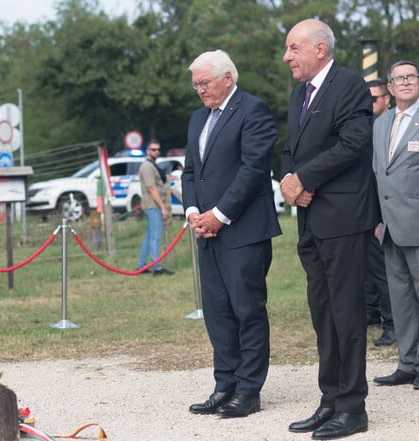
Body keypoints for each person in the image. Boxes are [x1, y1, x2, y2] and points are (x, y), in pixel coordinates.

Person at [280, 19, 378, 439]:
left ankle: (353, 408)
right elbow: (289, 148)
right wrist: (289, 182)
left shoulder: (350, 84)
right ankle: (330, 400)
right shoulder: (299, 93)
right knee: (323, 313)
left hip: (343, 219)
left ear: (320, 49)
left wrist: (305, 178)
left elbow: (354, 143)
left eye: (293, 48)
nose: (287, 57)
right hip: (310, 220)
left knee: (346, 312)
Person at [182, 50, 280, 418]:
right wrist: (193, 212)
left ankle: (249, 390)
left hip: (243, 230)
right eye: (195, 85)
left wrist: (220, 215)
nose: (200, 91)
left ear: (227, 77)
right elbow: (190, 171)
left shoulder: (253, 110)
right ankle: (224, 385)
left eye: (204, 83)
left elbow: (254, 170)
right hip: (206, 231)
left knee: (247, 310)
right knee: (217, 312)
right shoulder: (197, 119)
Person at [371, 60, 419, 390]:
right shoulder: (381, 123)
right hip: (388, 226)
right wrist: (376, 218)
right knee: (400, 299)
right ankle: (408, 362)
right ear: (389, 88)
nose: (405, 82)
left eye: (411, 76)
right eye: (398, 78)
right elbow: (377, 173)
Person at [365, 78, 395, 346]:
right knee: (368, 268)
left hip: (387, 210)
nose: (369, 103)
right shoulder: (366, 127)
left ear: (387, 98)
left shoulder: (395, 128)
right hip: (365, 208)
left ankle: (392, 323)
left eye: (374, 98)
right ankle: (372, 312)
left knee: (384, 271)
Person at [137, 140, 173, 276]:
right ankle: (157, 268)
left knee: (150, 236)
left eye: (158, 149)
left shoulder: (152, 165)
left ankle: (141, 266)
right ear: (147, 150)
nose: (156, 151)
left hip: (153, 205)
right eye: (153, 149)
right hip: (153, 206)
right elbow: (151, 188)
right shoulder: (147, 167)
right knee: (156, 237)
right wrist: (163, 208)